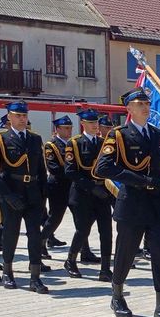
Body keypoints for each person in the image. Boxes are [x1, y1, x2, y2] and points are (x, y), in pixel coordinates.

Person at [94, 88, 160, 317]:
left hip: (157, 206)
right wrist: (140, 181)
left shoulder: (157, 134)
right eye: (139, 103)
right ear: (129, 109)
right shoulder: (119, 135)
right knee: (126, 253)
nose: (145, 107)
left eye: (146, 103)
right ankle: (117, 293)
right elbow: (103, 168)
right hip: (132, 205)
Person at [0, 101, 49, 293]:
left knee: (34, 235)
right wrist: (7, 194)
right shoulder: (0, 139)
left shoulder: (35, 139)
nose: (21, 119)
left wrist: (43, 194)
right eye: (17, 116)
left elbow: (40, 170)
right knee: (10, 234)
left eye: (24, 115)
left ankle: (35, 277)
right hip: (11, 191)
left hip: (33, 193)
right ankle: (7, 272)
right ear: (9, 117)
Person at [62, 109, 113, 281]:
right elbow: (70, 172)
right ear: (83, 124)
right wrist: (92, 187)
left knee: (106, 231)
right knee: (82, 230)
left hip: (102, 194)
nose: (95, 126)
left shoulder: (103, 143)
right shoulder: (74, 143)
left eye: (96, 123)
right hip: (82, 194)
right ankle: (70, 260)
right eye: (91, 123)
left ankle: (105, 269)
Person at [41, 116, 74, 257]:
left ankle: (85, 250)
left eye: (70, 128)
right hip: (58, 186)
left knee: (82, 219)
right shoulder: (52, 145)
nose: (69, 131)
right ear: (58, 129)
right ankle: (41, 243)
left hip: (73, 187)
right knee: (55, 217)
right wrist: (74, 174)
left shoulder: (74, 143)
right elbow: (53, 167)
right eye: (66, 128)